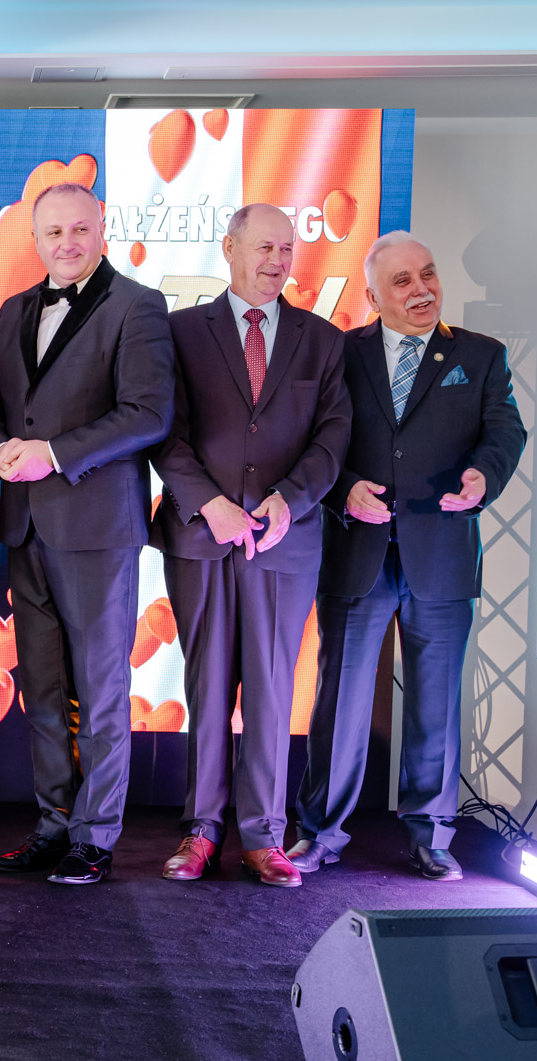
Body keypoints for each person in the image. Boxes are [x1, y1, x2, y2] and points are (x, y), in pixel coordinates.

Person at [289, 231, 526, 881]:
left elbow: (505, 430)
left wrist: (484, 477)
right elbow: (312, 440)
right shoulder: (340, 354)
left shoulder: (480, 355)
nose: (421, 289)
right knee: (339, 702)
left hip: (441, 553)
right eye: (402, 281)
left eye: (428, 274)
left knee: (435, 706)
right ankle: (321, 833)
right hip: (356, 550)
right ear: (372, 297)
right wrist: (342, 488)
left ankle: (432, 839)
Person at [0, 182, 176, 885]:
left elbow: (149, 413)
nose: (66, 243)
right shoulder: (16, 309)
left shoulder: (138, 306)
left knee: (102, 688)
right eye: (53, 232)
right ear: (36, 239)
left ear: (101, 229)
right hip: (24, 524)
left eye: (79, 229)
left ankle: (96, 836)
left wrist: (53, 454)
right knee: (44, 690)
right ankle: (54, 825)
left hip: (96, 527)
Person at [151, 203, 352, 888]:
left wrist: (288, 500)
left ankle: (265, 835)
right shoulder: (179, 332)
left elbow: (333, 438)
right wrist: (208, 502)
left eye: (286, 249)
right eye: (264, 247)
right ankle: (202, 830)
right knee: (207, 684)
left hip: (284, 541)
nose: (276, 260)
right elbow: (162, 430)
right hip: (201, 535)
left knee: (271, 688)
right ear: (230, 248)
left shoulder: (323, 341)